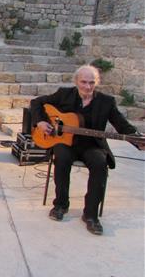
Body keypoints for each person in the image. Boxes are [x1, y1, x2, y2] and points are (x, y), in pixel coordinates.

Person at [30, 64, 144, 235]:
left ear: (96, 83)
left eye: (92, 82)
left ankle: (91, 215)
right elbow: (36, 102)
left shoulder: (106, 102)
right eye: (84, 82)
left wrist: (137, 140)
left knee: (100, 164)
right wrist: (40, 121)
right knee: (61, 157)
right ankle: (60, 205)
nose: (88, 87)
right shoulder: (64, 94)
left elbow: (121, 124)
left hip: (92, 145)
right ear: (76, 81)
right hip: (67, 143)